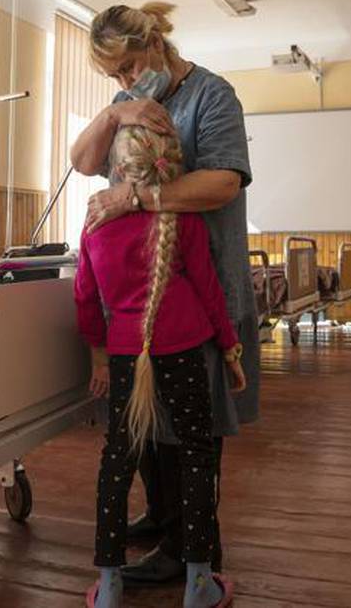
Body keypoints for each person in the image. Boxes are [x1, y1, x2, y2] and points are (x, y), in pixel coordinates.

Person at [70, 2, 258, 583]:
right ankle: (163, 515)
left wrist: (133, 198)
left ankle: (188, 547)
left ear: (156, 44)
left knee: (190, 429)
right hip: (132, 300)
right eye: (114, 76)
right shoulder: (124, 103)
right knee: (143, 423)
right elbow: (82, 162)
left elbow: (223, 181)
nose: (125, 81)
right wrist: (115, 113)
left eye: (130, 66)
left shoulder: (211, 95)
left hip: (194, 289)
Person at [75, 124, 244, 608]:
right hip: (186, 347)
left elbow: (85, 299)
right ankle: (198, 583)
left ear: (118, 172)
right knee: (196, 455)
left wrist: (99, 353)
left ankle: (108, 584)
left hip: (127, 351)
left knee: (117, 459)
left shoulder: (96, 225)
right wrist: (230, 350)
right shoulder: (183, 219)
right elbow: (210, 292)